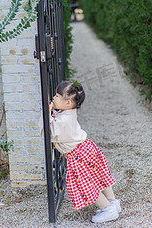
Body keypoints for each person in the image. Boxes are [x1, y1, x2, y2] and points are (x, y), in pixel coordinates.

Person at [45, 80, 121, 223]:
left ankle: (108, 209)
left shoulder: (63, 121)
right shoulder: (68, 113)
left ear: (67, 103)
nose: (53, 98)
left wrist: (47, 113)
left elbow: (48, 132)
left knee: (88, 183)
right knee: (99, 176)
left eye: (56, 96)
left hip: (78, 156)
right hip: (87, 149)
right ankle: (113, 202)